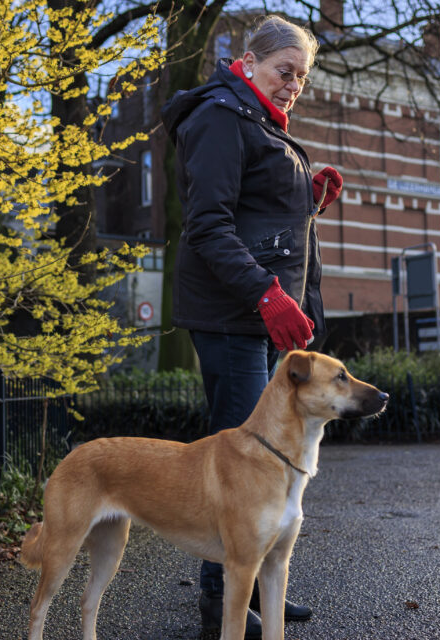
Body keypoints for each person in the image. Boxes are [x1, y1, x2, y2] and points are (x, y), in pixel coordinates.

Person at [160, 14, 344, 638]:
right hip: (235, 313)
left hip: (256, 315)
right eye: (283, 71)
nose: (293, 84)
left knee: (261, 456)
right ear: (249, 62)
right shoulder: (221, 116)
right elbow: (209, 225)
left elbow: (252, 209)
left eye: (302, 76)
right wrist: (267, 294)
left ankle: (254, 585)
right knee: (245, 458)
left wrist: (305, 196)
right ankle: (222, 600)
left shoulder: (259, 118)